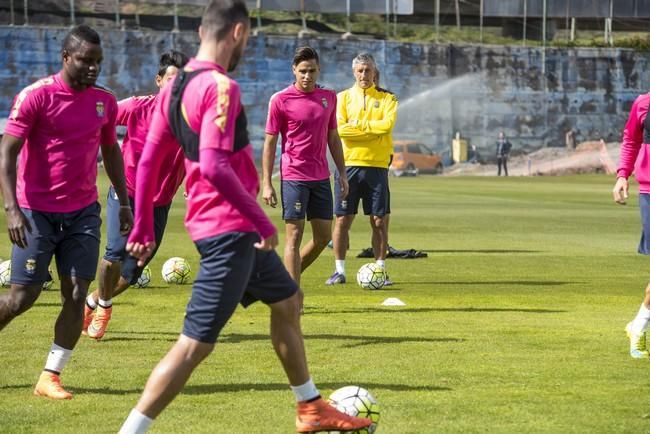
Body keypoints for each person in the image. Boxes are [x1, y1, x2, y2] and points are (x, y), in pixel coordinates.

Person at [118, 1, 372, 432]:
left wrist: (143, 222)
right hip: (227, 229)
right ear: (237, 33)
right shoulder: (220, 87)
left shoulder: (176, 88)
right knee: (193, 347)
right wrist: (259, 217)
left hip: (223, 227)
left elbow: (146, 161)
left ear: (202, 31)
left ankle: (309, 406)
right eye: (248, 38)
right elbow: (215, 165)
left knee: (289, 301)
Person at [0, 25, 133, 399]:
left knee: (76, 292)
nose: (92, 68)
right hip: (35, 211)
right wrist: (12, 208)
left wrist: (123, 201)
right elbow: (7, 151)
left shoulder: (104, 102)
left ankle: (50, 376)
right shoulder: (36, 96)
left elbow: (111, 152)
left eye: (97, 62)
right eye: (84, 61)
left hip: (83, 213)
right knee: (21, 298)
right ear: (65, 58)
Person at [83, 50, 189, 340]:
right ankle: (104, 306)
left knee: (133, 271)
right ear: (159, 81)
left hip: (162, 202)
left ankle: (92, 301)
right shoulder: (137, 107)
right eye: (171, 80)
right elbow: (100, 116)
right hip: (126, 194)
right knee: (114, 253)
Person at [261, 46, 348, 292]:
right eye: (302, 71)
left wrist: (341, 173)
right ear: (294, 71)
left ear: (318, 70)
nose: (307, 76)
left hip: (321, 177)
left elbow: (333, 138)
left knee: (323, 238)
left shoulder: (329, 97)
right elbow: (270, 142)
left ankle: (283, 280)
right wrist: (267, 183)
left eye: (311, 71)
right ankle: (292, 296)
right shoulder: (280, 99)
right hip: (293, 177)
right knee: (294, 237)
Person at [326, 52, 398, 285]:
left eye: (368, 70)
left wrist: (358, 125)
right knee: (342, 220)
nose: (364, 74)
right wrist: (370, 130)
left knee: (378, 220)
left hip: (376, 166)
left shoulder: (388, 98)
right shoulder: (343, 98)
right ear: (354, 72)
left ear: (374, 72)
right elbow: (341, 129)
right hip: (347, 165)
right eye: (360, 70)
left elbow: (386, 126)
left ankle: (380, 269)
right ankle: (339, 270)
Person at [613, 91, 650, 359]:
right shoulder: (643, 103)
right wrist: (623, 175)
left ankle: (638, 324)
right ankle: (639, 326)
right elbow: (631, 140)